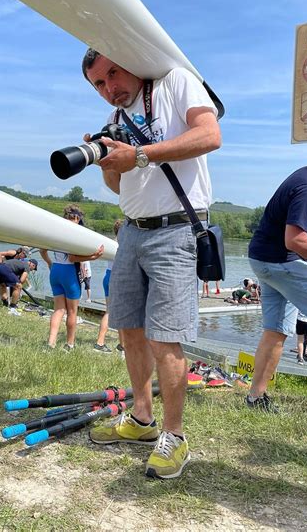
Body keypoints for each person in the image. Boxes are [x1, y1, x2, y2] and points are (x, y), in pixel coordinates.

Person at [81, 49, 221, 479]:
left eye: (113, 74)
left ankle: (174, 437)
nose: (110, 89)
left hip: (176, 229)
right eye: (99, 85)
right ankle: (142, 419)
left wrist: (140, 155)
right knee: (130, 329)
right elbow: (117, 185)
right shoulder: (117, 121)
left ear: (130, 61)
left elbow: (209, 135)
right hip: (132, 231)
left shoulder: (174, 82)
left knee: (166, 337)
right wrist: (106, 159)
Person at [246, 141, 307, 420]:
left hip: (267, 260)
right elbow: (294, 240)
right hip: (280, 260)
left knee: (277, 328)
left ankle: (256, 396)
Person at [40, 205, 104, 350]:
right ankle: (70, 344)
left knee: (58, 310)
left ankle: (51, 343)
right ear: (76, 218)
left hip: (56, 270)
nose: (78, 221)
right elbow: (72, 258)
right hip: (69, 273)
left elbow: (42, 250)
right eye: (78, 219)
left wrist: (50, 263)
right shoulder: (73, 232)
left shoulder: (55, 231)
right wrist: (93, 257)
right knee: (72, 312)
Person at [94, 219, 123, 355]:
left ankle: (122, 345)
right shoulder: (123, 244)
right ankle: (100, 343)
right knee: (113, 312)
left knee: (112, 311)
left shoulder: (110, 242)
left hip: (107, 276)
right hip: (117, 278)